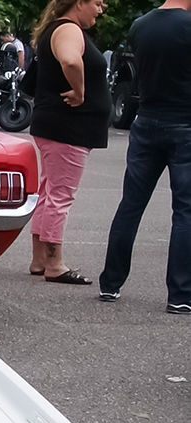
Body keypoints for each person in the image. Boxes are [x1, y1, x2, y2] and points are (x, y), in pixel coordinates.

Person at [98, 0, 191, 311]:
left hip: (147, 119)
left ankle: (111, 283)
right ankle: (179, 295)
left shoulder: (140, 25)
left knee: (131, 204)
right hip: (185, 123)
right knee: (185, 211)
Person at [27, 0, 109, 283]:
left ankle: (40, 259)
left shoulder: (56, 28)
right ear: (79, 3)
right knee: (60, 195)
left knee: (50, 191)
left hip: (56, 124)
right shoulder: (69, 30)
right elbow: (71, 60)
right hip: (68, 127)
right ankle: (54, 263)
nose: (101, 9)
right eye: (97, 3)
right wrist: (80, 91)